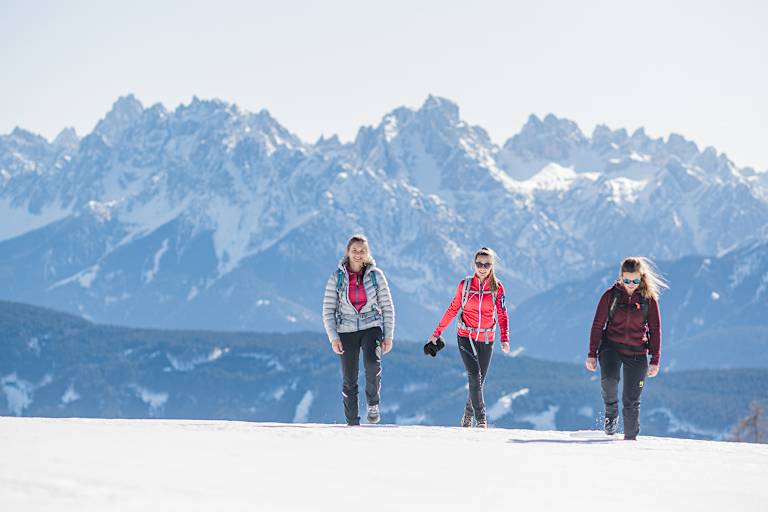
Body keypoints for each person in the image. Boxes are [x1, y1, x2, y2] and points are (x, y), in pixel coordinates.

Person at [585, 256, 667, 440]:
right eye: (627, 280)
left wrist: (655, 360)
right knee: (609, 380)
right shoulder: (610, 296)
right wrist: (591, 354)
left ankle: (630, 440)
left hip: (637, 352)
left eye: (635, 281)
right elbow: (597, 325)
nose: (631, 285)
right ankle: (611, 414)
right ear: (621, 277)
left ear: (641, 277)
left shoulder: (648, 300)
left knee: (632, 401)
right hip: (611, 348)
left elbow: (655, 330)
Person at [428, 247, 510, 428]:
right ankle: (481, 419)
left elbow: (502, 314)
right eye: (479, 264)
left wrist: (504, 338)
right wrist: (437, 333)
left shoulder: (497, 288)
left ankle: (467, 414)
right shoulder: (464, 286)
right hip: (466, 336)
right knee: (474, 375)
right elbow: (452, 309)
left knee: (479, 381)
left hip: (487, 338)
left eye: (487, 264)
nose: (482, 268)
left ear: (492, 266)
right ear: (474, 264)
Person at [322, 234, 395, 426]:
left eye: (362, 251)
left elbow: (387, 307)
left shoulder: (376, 276)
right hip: (346, 330)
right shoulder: (337, 278)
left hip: (371, 326)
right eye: (354, 250)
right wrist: (333, 337)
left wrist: (388, 335)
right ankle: (352, 422)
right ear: (348, 252)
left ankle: (373, 403)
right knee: (349, 378)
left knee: (372, 364)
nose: (358, 254)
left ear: (367, 253)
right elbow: (328, 310)